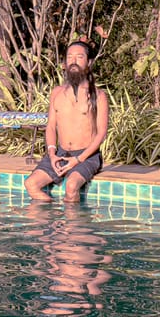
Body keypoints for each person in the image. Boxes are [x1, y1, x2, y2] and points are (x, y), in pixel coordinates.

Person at [26, 40, 111, 204]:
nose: (74, 61)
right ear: (64, 63)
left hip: (86, 156)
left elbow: (101, 133)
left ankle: (73, 228)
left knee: (71, 187)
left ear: (89, 62)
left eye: (79, 57)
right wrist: (52, 154)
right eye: (70, 57)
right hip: (60, 154)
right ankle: (52, 222)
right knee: (31, 184)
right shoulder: (57, 93)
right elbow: (51, 126)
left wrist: (78, 160)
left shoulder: (99, 96)